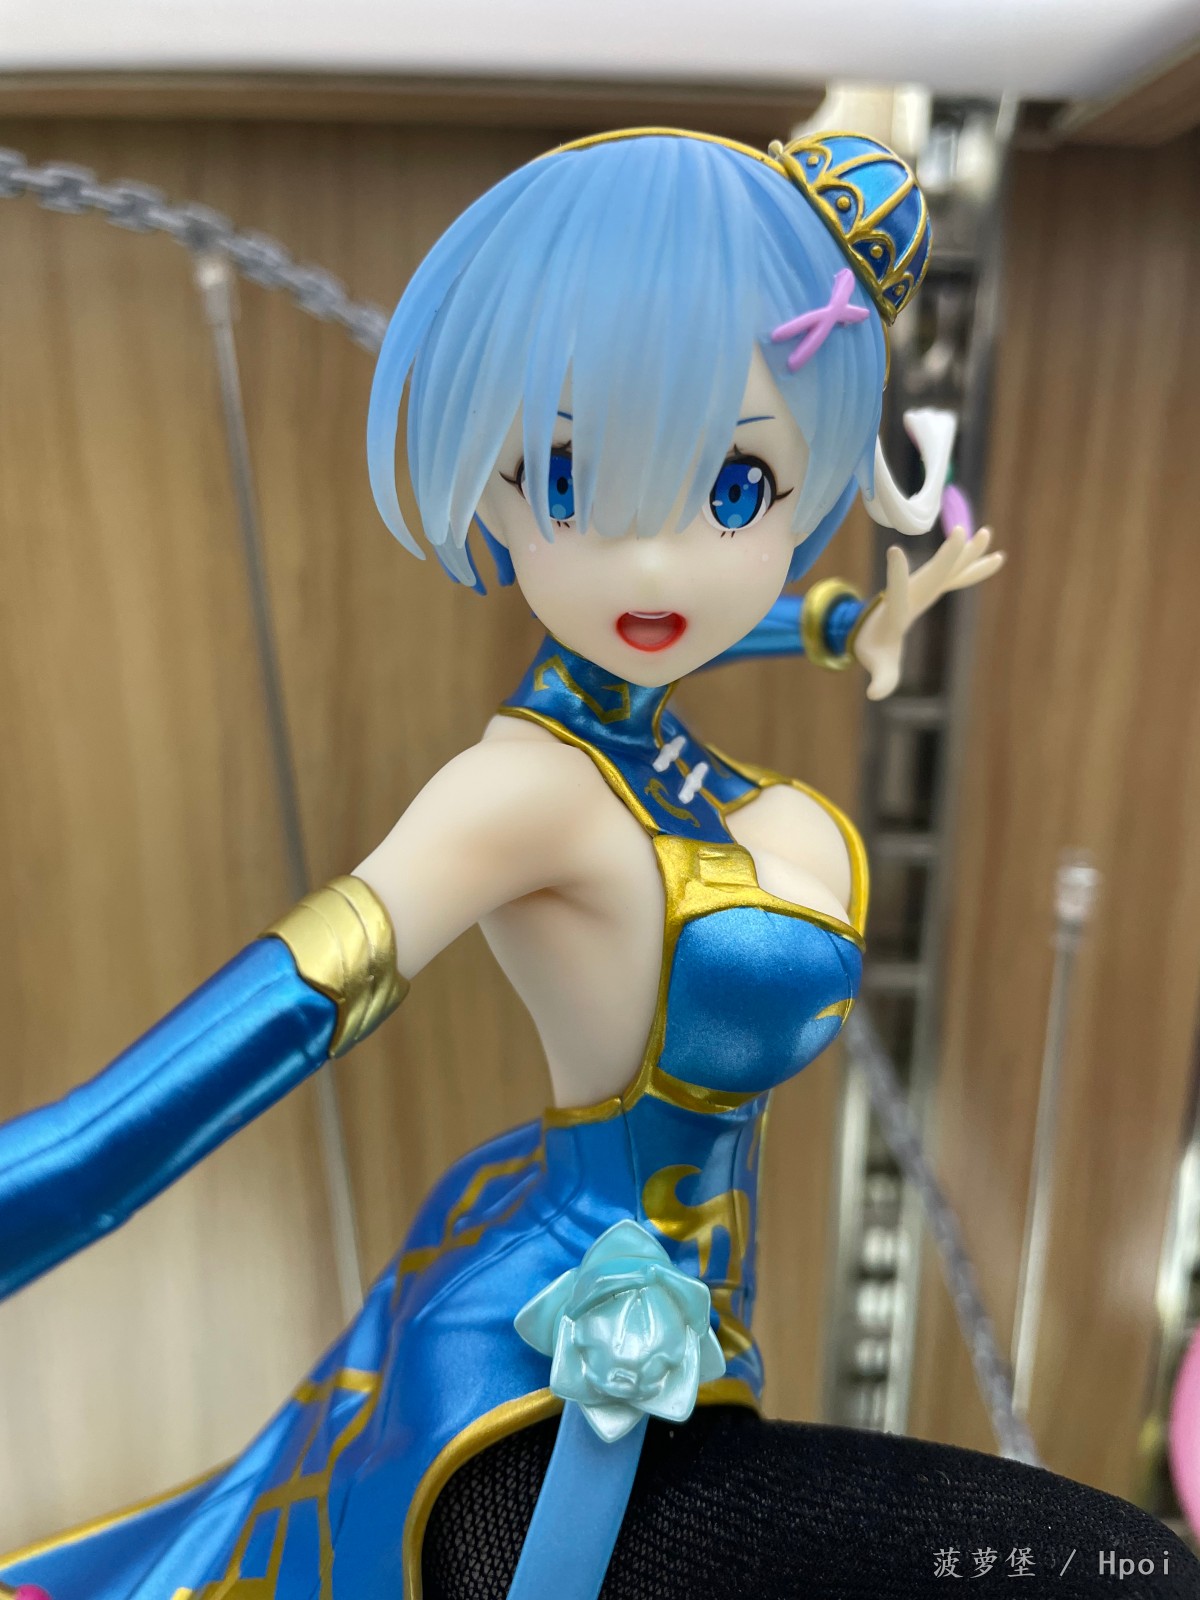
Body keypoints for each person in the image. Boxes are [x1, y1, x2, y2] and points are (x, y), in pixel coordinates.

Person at [0, 128, 1187, 1600]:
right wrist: (34, 1190)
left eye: (735, 487)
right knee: (1121, 1571)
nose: (654, 563)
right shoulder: (523, 795)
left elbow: (691, 621)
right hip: (557, 1417)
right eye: (571, 479)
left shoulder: (655, 743)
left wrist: (848, 627)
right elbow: (244, 1039)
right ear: (496, 491)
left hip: (703, 1367)